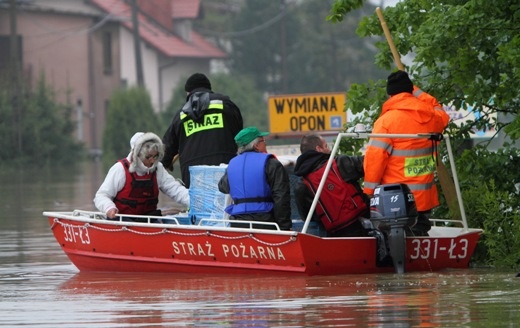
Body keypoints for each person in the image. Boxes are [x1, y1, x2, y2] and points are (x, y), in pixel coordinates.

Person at [363, 70, 450, 236]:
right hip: (423, 198)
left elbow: (375, 159)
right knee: (419, 240)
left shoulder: (386, 122)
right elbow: (439, 110)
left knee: (397, 245)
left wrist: (370, 191)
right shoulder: (432, 117)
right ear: (410, 91)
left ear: (390, 95)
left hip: (394, 200)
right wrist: (416, 90)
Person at [161, 73, 243, 187]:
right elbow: (240, 135)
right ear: (208, 89)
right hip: (225, 176)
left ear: (188, 93)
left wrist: (163, 164)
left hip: (193, 180)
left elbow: (166, 149)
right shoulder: (226, 105)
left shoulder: (181, 116)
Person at [94, 132, 190, 222]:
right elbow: (101, 196)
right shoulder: (120, 169)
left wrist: (197, 202)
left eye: (155, 156)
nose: (152, 161)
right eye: (148, 157)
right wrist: (109, 208)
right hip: (122, 222)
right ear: (137, 154)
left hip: (149, 220)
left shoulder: (157, 169)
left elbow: (175, 190)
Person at [294, 134, 369, 237]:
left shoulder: (302, 185)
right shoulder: (339, 163)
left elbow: (306, 216)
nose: (329, 150)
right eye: (326, 146)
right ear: (318, 149)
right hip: (361, 225)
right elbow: (369, 164)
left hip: (333, 235)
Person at [218, 126, 292, 231]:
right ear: (256, 145)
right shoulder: (271, 163)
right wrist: (284, 227)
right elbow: (281, 196)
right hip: (265, 221)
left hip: (238, 223)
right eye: (263, 141)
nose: (265, 143)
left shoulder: (232, 164)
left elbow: (223, 187)